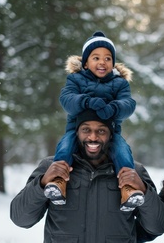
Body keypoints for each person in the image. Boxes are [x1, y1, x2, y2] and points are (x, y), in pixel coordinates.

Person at [10, 109, 164, 243]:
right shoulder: (52, 167)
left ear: (111, 134)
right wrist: (41, 183)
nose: (93, 137)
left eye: (101, 131)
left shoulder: (133, 172)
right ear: (76, 132)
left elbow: (157, 226)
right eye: (86, 130)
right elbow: (21, 218)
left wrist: (145, 191)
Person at [44, 31, 144, 211]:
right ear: (85, 62)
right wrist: (86, 101)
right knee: (65, 146)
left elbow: (128, 104)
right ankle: (58, 181)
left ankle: (128, 188)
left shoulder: (120, 83)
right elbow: (67, 99)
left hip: (110, 134)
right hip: (76, 130)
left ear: (113, 63)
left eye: (107, 59)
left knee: (122, 151)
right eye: (96, 58)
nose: (102, 62)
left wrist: (113, 108)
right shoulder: (75, 79)